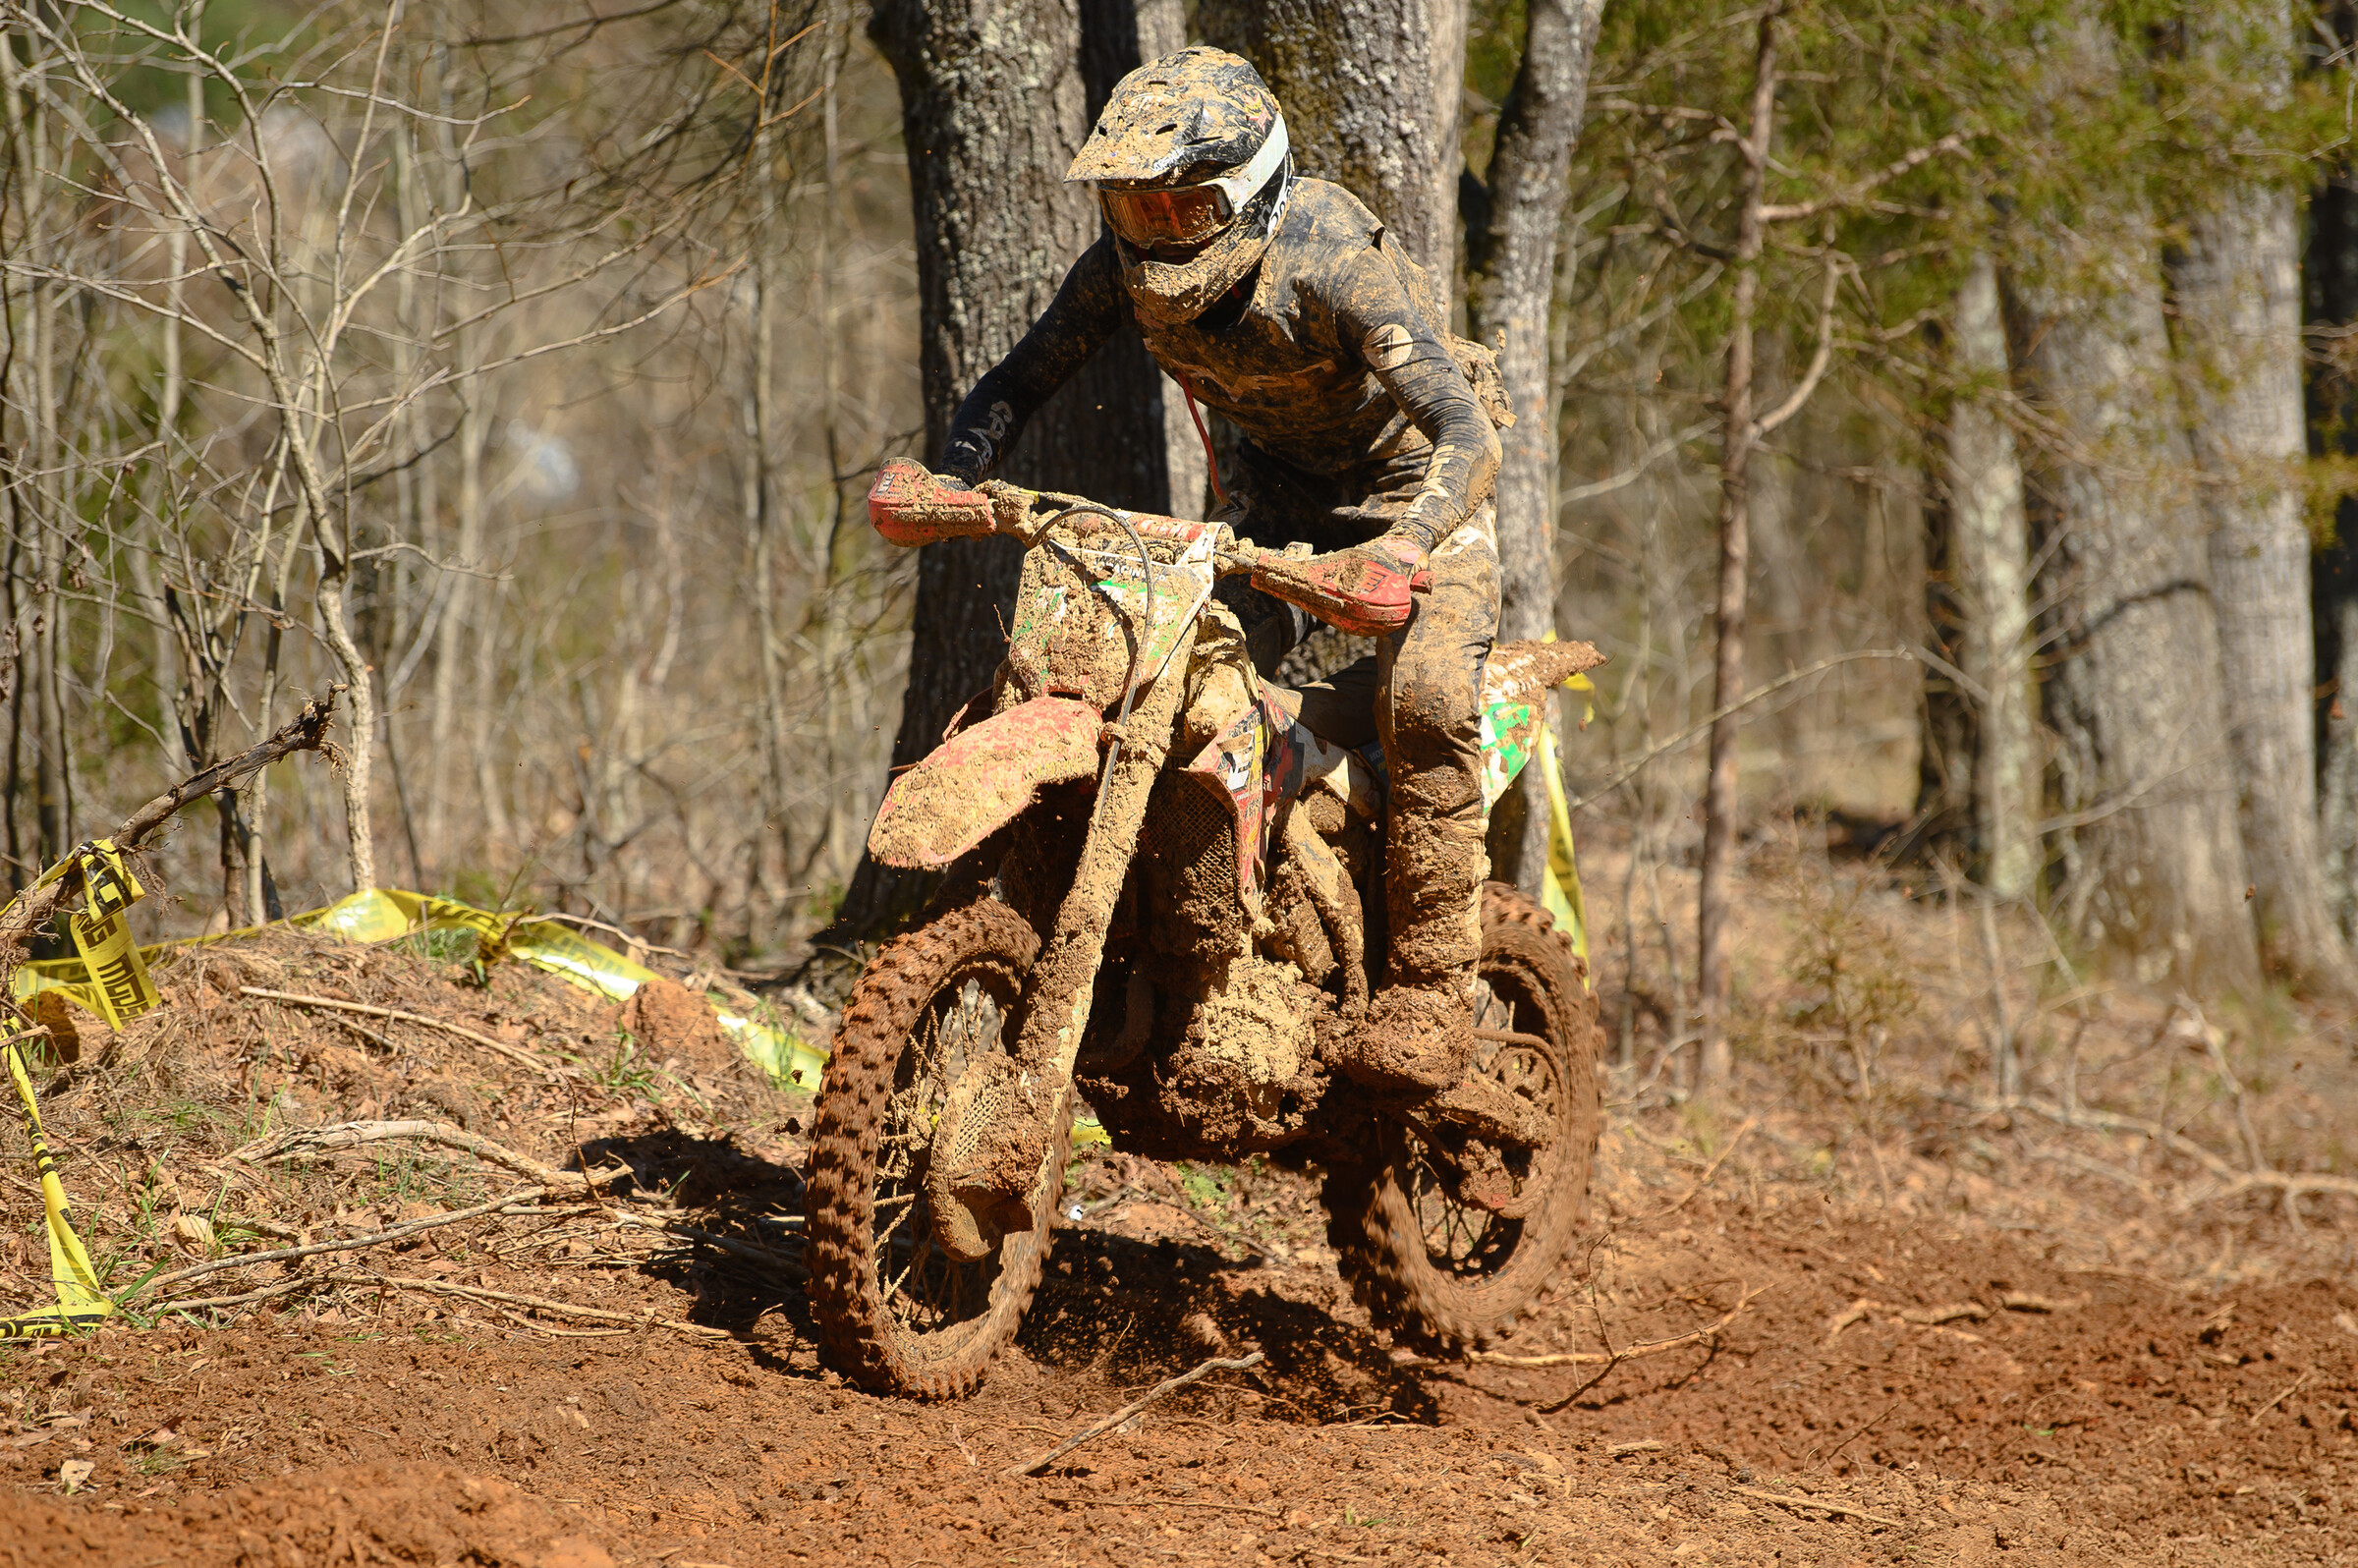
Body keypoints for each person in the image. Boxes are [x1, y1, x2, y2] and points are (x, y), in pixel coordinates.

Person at [934, 46, 1506, 1096]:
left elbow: (1467, 430)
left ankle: (1430, 986)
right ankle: (1187, 954)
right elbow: (1019, 377)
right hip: (1269, 513)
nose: (1153, 234)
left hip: (1414, 498)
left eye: (1180, 211)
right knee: (1167, 687)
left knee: (1425, 697)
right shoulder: (1121, 268)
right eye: (1133, 209)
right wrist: (956, 477)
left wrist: (1409, 544)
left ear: (1251, 190)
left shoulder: (1333, 260)